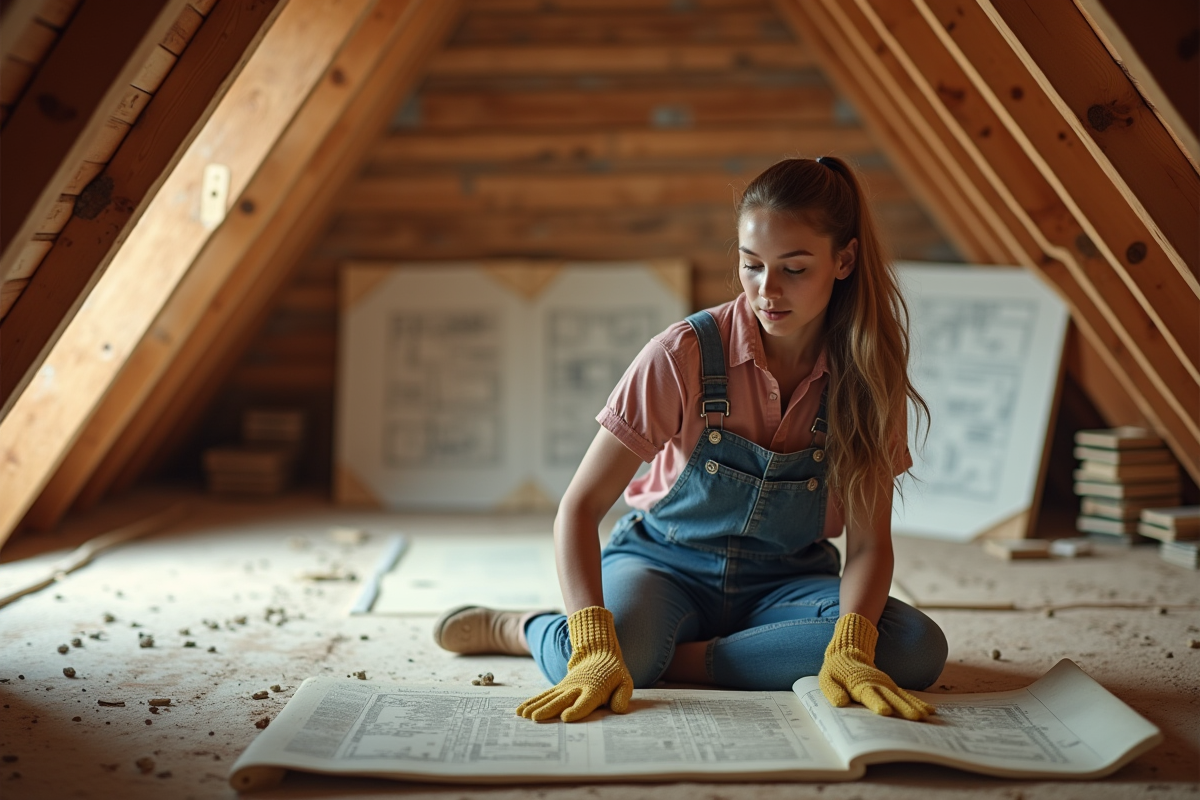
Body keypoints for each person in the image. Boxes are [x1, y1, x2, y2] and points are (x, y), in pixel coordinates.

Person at [433, 156, 948, 724]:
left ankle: (666, 659)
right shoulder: (681, 354)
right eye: (752, 266)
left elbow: (870, 546)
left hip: (787, 579)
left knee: (914, 647)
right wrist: (597, 646)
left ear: (843, 259)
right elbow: (577, 509)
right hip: (664, 564)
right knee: (614, 654)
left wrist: (848, 648)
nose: (767, 291)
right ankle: (527, 627)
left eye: (794, 269)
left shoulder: (869, 375)